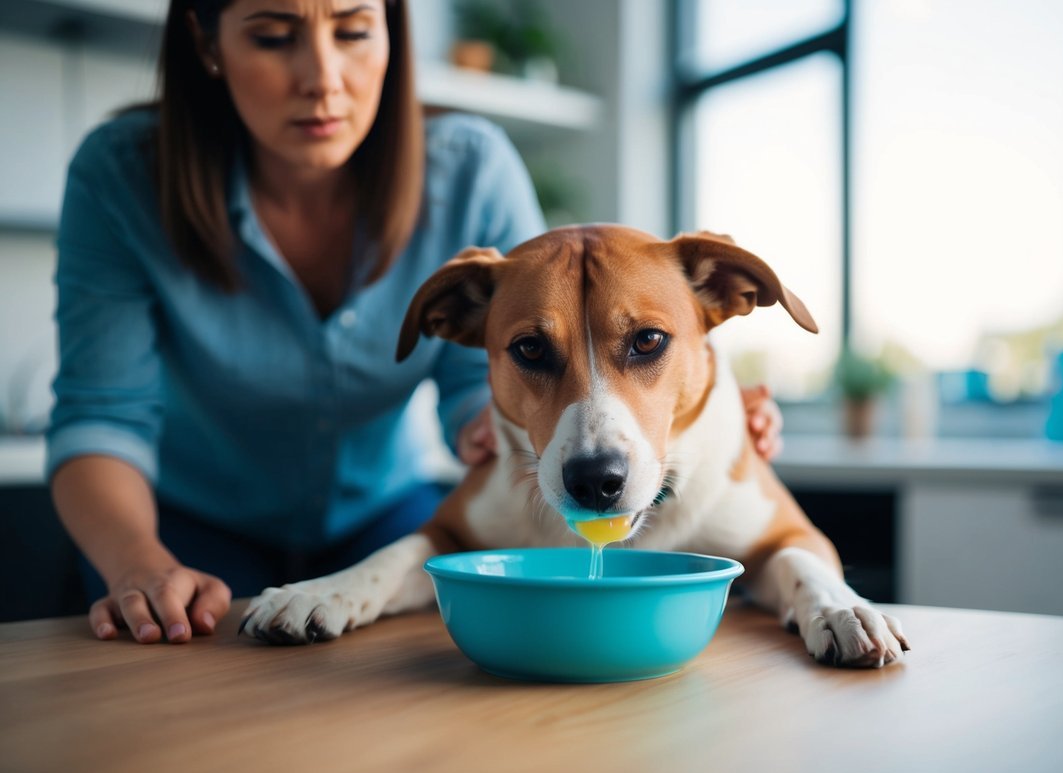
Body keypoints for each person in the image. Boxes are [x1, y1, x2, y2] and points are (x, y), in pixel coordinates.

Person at [48, 0, 784, 646]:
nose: (324, 77)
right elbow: (101, 414)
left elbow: (504, 364)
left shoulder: (470, 169)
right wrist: (137, 561)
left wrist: (681, 414)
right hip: (178, 528)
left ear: (393, 33)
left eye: (355, 30)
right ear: (207, 42)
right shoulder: (120, 177)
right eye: (274, 36)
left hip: (386, 517)